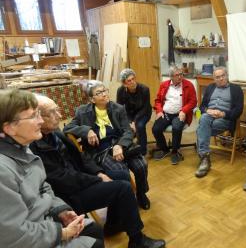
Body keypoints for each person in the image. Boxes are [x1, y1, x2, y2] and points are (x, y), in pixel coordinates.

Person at [30, 94, 166, 248]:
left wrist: (98, 173)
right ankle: (137, 240)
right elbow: (62, 180)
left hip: (80, 178)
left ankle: (113, 224)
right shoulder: (34, 146)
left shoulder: (55, 134)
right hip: (69, 194)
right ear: (38, 117)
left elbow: (81, 157)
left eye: (57, 110)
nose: (59, 116)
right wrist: (97, 179)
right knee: (123, 188)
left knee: (122, 175)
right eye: (53, 113)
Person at [0, 89, 104, 248]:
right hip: (30, 237)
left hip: (43, 221)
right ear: (10, 128)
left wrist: (60, 210)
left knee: (93, 229)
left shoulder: (23, 148)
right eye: (34, 116)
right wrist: (61, 233)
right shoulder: (3, 170)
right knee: (94, 242)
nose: (41, 121)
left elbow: (43, 185)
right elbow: (14, 235)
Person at [63, 81, 151, 210]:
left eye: (105, 91)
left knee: (141, 165)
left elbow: (127, 130)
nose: (104, 94)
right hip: (101, 150)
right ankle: (127, 199)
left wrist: (120, 145)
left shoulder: (118, 108)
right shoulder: (82, 112)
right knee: (121, 171)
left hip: (120, 144)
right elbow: (68, 128)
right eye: (99, 93)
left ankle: (141, 193)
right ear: (92, 99)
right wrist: (86, 130)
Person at [195, 66, 244, 178]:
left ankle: (204, 158)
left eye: (223, 76)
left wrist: (223, 114)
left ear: (227, 76)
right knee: (203, 118)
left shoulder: (236, 89)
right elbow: (202, 107)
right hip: (209, 116)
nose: (221, 78)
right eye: (218, 77)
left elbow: (238, 110)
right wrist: (208, 110)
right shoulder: (210, 88)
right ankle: (205, 157)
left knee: (200, 130)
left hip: (224, 119)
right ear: (214, 79)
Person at [152, 65, 197, 164]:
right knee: (155, 129)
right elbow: (158, 100)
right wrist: (159, 111)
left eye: (181, 74)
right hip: (166, 113)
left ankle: (175, 151)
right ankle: (164, 149)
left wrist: (184, 111)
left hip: (180, 114)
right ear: (171, 76)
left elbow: (193, 101)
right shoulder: (164, 85)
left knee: (176, 128)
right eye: (177, 75)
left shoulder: (188, 85)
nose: (180, 77)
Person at [117, 68, 152, 156]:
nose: (132, 82)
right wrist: (129, 121)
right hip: (129, 113)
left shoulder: (144, 89)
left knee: (139, 126)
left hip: (143, 112)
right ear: (124, 84)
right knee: (126, 127)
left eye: (133, 79)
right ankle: (128, 146)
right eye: (129, 81)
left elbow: (145, 107)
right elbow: (120, 108)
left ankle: (142, 150)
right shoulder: (120, 91)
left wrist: (134, 122)